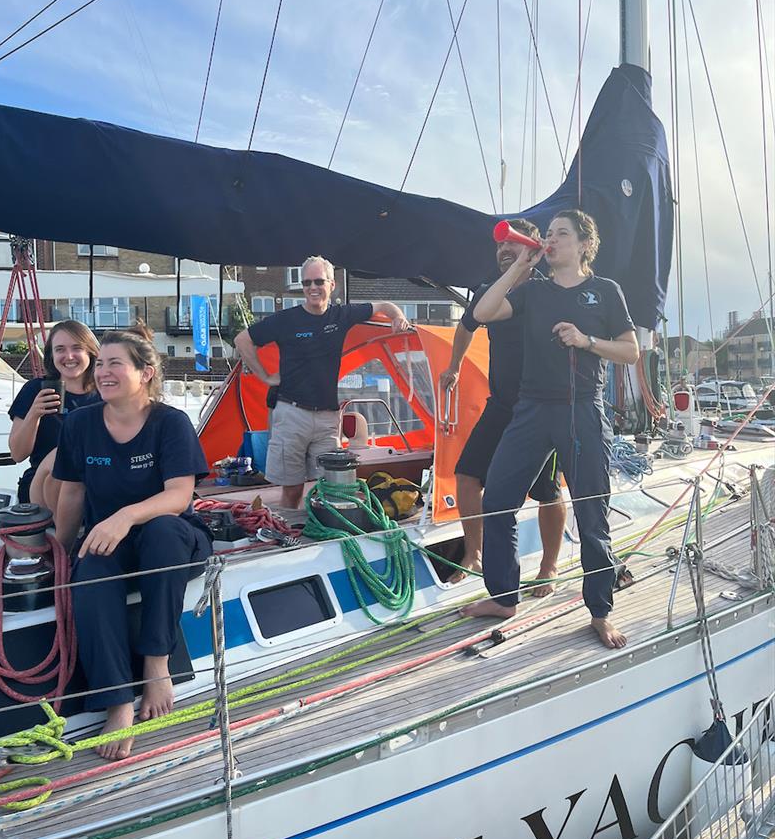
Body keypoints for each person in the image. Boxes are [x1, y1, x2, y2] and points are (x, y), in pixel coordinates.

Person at [462, 210, 639, 649]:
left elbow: (631, 352)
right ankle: (504, 597)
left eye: (562, 234)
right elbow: (482, 311)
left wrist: (586, 341)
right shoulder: (533, 292)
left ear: (583, 245)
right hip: (531, 409)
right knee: (497, 500)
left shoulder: (605, 291)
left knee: (591, 510)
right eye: (551, 234)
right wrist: (520, 267)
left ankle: (600, 611)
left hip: (580, 410)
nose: (553, 240)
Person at [54, 323, 213, 760]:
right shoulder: (80, 424)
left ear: (145, 373)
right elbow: (71, 492)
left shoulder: (171, 423)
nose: (103, 372)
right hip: (110, 538)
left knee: (162, 532)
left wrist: (124, 517)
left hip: (170, 534)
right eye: (100, 363)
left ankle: (157, 663)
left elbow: (179, 496)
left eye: (115, 364)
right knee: (90, 574)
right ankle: (118, 700)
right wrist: (63, 551)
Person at [440, 218, 566, 590]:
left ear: (532, 249)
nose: (504, 251)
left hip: (539, 409)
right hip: (501, 405)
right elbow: (466, 326)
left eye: (513, 244)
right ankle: (473, 554)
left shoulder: (550, 292)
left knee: (547, 492)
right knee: (465, 476)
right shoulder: (487, 292)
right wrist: (454, 366)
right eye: (500, 247)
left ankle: (549, 565)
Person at [234, 255, 410, 508]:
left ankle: (323, 536)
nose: (312, 288)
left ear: (331, 284)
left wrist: (398, 316)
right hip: (291, 414)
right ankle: (291, 541)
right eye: (306, 283)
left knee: (331, 489)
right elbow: (242, 339)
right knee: (292, 491)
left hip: (328, 418)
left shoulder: (342, 315)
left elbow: (383, 304)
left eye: (318, 281)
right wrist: (264, 376)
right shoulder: (287, 319)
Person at [8, 320, 101, 508]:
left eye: (77, 348)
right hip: (42, 486)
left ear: (91, 351)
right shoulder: (34, 389)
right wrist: (34, 414)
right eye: (60, 349)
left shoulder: (106, 393)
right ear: (52, 355)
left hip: (94, 482)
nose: (69, 356)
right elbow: (17, 454)